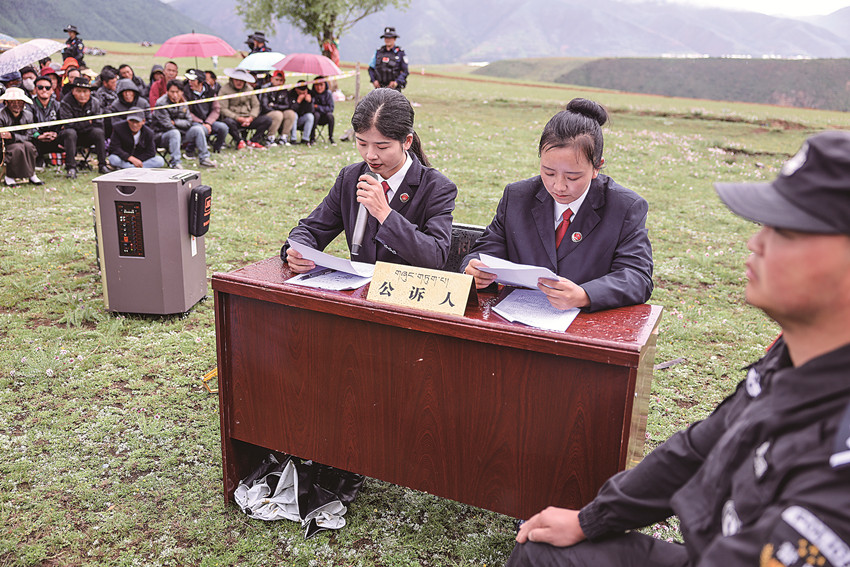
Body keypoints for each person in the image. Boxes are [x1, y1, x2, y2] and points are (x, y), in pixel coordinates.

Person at [507, 129, 850, 567]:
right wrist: (589, 520)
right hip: (710, 548)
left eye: (786, 232)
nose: (756, 243)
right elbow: (697, 449)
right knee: (541, 551)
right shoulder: (793, 358)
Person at [461, 98, 653, 312]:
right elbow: (486, 251)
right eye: (549, 172)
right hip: (518, 317)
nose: (559, 186)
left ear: (597, 167)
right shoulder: (518, 197)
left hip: (587, 323)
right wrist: (474, 269)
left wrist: (585, 295)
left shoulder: (624, 207)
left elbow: (638, 277)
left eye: (573, 177)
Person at [283, 87, 457, 271]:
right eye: (362, 143)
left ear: (407, 141)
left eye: (382, 147)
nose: (370, 155)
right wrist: (296, 252)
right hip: (359, 287)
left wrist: (385, 214)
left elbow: (435, 257)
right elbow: (311, 229)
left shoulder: (436, 187)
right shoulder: (351, 178)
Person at [151, 77, 216, 168]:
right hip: (162, 135)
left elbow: (189, 121)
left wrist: (176, 122)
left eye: (177, 92)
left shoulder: (183, 102)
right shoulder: (161, 103)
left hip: (181, 132)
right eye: (172, 92)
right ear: (167, 91)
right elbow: (168, 125)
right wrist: (179, 125)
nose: (175, 95)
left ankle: (204, 158)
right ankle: (175, 163)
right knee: (174, 133)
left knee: (198, 129)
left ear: (182, 92)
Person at [59, 76, 111, 179]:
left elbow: (98, 123)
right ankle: (71, 168)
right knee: (70, 132)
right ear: (73, 91)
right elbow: (68, 124)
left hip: (87, 135)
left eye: (85, 91)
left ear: (89, 92)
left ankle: (102, 165)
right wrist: (88, 122)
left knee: (99, 132)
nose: (82, 95)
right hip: (70, 138)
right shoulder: (66, 102)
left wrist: (81, 123)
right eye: (79, 91)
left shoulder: (95, 102)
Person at [219, 67, 272, 149]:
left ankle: (253, 141)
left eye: (241, 80)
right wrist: (237, 118)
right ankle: (239, 141)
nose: (239, 82)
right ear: (232, 79)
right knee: (227, 122)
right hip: (234, 119)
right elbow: (223, 109)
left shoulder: (249, 89)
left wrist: (251, 117)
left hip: (248, 118)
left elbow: (256, 105)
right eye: (236, 80)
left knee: (267, 120)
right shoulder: (224, 90)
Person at [0, 88, 43, 186]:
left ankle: (32, 174)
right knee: (17, 148)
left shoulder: (28, 115)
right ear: (6, 103)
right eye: (13, 102)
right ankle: (10, 177)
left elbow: (29, 135)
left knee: (30, 147)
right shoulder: (1, 115)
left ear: (24, 103)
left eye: (19, 102)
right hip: (5, 145)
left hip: (23, 142)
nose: (16, 104)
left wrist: (12, 136)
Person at [183, 69, 227, 153]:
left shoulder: (210, 91)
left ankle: (217, 148)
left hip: (209, 121)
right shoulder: (185, 92)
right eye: (189, 80)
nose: (190, 82)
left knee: (223, 127)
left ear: (201, 82)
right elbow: (187, 112)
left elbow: (216, 109)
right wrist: (201, 122)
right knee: (201, 129)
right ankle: (191, 151)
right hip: (194, 122)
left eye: (193, 80)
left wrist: (208, 122)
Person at [258, 70, 296, 146]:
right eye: (277, 80)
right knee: (278, 114)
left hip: (277, 110)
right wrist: (277, 109)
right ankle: (270, 138)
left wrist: (275, 106)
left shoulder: (284, 90)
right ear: (272, 79)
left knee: (290, 113)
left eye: (281, 80)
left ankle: (284, 137)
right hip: (265, 113)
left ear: (284, 81)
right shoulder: (266, 89)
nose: (279, 82)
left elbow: (287, 105)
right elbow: (265, 106)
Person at [30, 75, 63, 161]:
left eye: (47, 88)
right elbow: (27, 125)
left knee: (69, 134)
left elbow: (63, 123)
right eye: (40, 87)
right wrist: (38, 136)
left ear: (52, 90)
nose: (44, 90)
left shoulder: (58, 105)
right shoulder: (29, 106)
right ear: (35, 89)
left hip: (54, 137)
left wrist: (56, 134)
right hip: (37, 138)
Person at [287, 80, 313, 145]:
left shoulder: (310, 93)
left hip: (302, 118)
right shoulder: (291, 93)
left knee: (310, 116)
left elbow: (312, 111)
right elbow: (290, 108)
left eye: (304, 92)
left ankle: (305, 139)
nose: (303, 94)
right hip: (292, 120)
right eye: (301, 93)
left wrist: (309, 102)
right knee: (294, 115)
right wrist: (298, 101)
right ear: (296, 89)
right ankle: (293, 139)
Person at [310, 76, 335, 144]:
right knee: (316, 115)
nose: (319, 87)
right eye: (317, 85)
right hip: (315, 117)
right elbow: (311, 108)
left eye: (321, 85)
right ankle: (312, 137)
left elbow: (331, 108)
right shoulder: (311, 94)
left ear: (325, 85)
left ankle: (331, 137)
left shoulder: (328, 94)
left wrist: (318, 107)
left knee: (330, 116)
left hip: (325, 117)